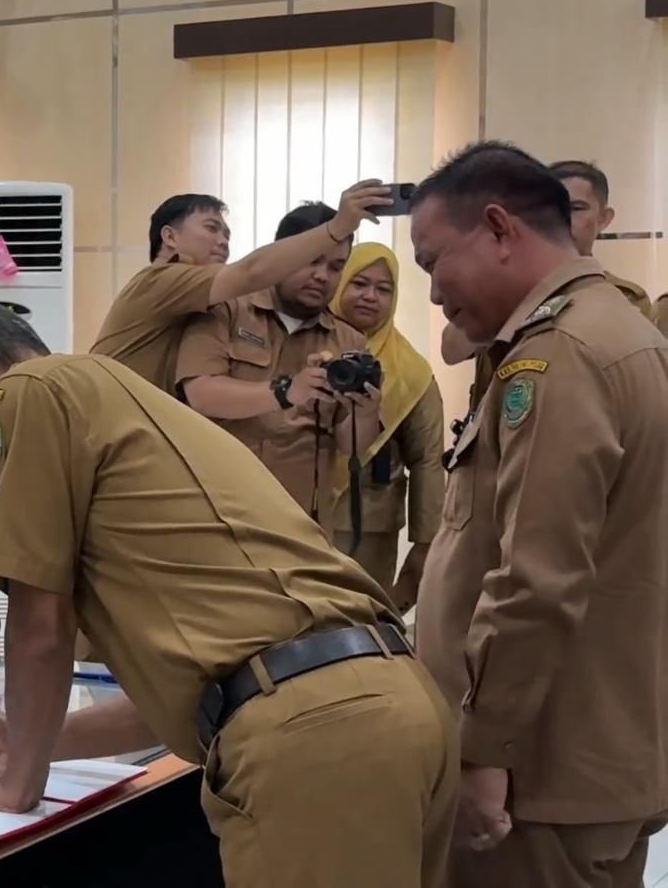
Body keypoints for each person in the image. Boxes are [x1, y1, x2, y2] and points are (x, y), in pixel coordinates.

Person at [0, 300, 456, 888]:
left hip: (318, 742)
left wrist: (19, 782)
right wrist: (29, 740)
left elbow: (41, 627)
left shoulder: (30, 390)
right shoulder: (128, 409)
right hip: (392, 706)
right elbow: (217, 693)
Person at [409, 140, 668, 885]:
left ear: (498, 228)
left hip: (539, 772)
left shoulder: (557, 357)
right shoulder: (622, 332)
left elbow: (536, 579)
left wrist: (484, 751)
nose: (434, 293)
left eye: (433, 262)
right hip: (597, 748)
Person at [175, 202, 382, 524]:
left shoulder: (349, 340)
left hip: (299, 518)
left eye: (336, 267)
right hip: (217, 509)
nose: (322, 276)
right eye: (312, 261)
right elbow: (201, 395)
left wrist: (365, 413)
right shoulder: (226, 309)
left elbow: (351, 445)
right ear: (284, 254)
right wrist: (287, 391)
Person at [88, 182, 394, 394]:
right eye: (211, 228)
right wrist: (338, 227)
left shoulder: (346, 338)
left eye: (227, 234)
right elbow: (252, 272)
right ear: (170, 237)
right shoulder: (161, 280)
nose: (223, 241)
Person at [440, 160, 651, 406]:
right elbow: (451, 351)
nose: (564, 219)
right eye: (553, 209)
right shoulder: (509, 285)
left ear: (604, 219)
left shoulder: (625, 298)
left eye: (576, 208)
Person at [327, 243, 445, 612]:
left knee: (361, 619)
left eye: (384, 289)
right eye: (359, 283)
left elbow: (428, 458)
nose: (370, 296)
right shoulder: (304, 345)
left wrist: (426, 541)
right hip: (296, 506)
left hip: (369, 521)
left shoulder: (411, 370)